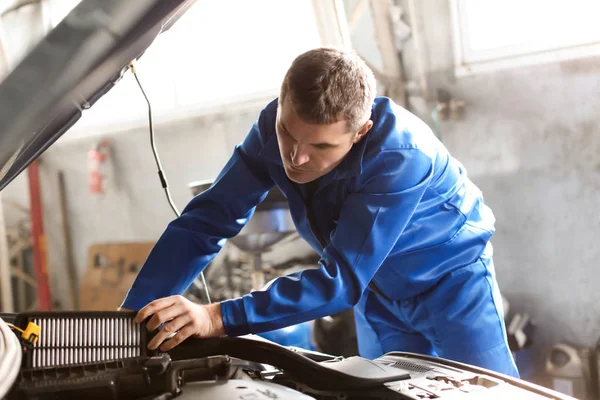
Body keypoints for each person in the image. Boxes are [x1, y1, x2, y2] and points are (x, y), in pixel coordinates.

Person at [121, 46, 519, 378]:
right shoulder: (270, 128)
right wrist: (131, 317)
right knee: (384, 392)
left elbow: (342, 279)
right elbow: (207, 219)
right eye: (287, 133)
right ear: (281, 104)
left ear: (360, 131)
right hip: (375, 293)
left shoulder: (401, 156)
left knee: (487, 393)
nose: (295, 157)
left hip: (451, 284)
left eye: (321, 148)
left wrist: (216, 317)